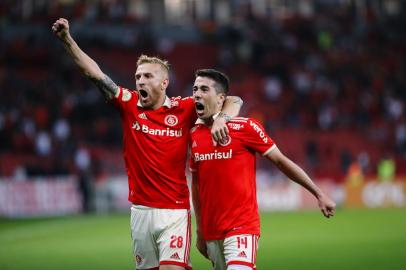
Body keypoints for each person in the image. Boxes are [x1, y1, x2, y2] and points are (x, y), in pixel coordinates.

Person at [52, 18, 243, 270]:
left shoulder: (184, 108)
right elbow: (94, 73)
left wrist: (221, 120)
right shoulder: (129, 103)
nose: (140, 81)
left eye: (147, 76)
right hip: (140, 212)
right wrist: (67, 40)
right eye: (137, 76)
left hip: (174, 211)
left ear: (164, 83)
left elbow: (234, 100)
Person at [190, 69, 336, 270]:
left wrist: (318, 193)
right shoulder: (194, 135)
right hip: (212, 232)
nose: (197, 93)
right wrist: (200, 231)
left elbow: (281, 161)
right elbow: (197, 187)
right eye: (195, 89)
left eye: (204, 89)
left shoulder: (246, 127)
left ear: (221, 98)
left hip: (242, 227)